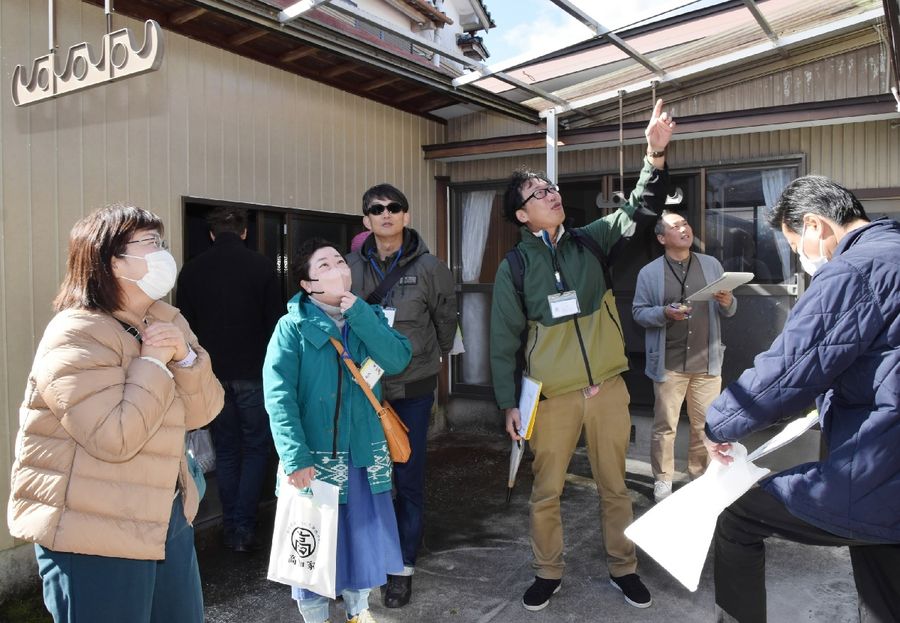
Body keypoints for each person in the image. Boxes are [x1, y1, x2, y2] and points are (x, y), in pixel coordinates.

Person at [490, 99, 675, 612]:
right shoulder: (516, 267)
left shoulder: (590, 240)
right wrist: (509, 402)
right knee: (545, 491)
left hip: (609, 390)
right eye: (537, 193)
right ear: (522, 214)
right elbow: (504, 339)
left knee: (615, 488)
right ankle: (547, 572)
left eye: (550, 188)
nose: (550, 194)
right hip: (551, 399)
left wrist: (653, 157)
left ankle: (624, 566)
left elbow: (639, 208)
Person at [7, 203, 224, 622]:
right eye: (148, 243)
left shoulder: (165, 319)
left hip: (165, 516)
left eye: (161, 242)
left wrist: (183, 360)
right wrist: (155, 363)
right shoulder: (76, 333)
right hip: (94, 533)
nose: (162, 253)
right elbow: (114, 437)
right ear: (110, 261)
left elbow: (205, 410)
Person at [703, 176, 900, 622]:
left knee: (738, 514)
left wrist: (718, 422)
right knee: (884, 572)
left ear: (815, 225)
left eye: (795, 246)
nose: (801, 257)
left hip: (881, 464)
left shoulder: (853, 271)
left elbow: (789, 369)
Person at [263, 238, 412, 623]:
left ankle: (358, 613)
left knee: (360, 545)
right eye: (324, 266)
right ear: (307, 284)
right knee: (312, 549)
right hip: (315, 460)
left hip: (363, 454)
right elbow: (279, 396)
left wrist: (361, 315)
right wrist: (294, 457)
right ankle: (315, 618)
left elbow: (397, 358)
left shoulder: (368, 316)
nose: (338, 270)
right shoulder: (291, 327)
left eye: (339, 262)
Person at [347, 184, 457, 608]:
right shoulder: (351, 266)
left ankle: (402, 568)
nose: (386, 214)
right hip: (364, 391)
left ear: (406, 216)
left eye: (394, 208)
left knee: (407, 478)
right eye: (377, 209)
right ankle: (370, 556)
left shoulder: (430, 267)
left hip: (412, 388)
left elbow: (446, 320)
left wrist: (430, 359)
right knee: (369, 478)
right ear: (366, 220)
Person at [176, 207, 283, 552]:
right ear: (244, 233)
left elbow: (186, 331)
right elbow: (274, 325)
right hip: (254, 372)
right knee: (254, 446)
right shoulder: (263, 267)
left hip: (213, 376)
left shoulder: (191, 272)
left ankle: (231, 527)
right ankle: (244, 526)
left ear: (210, 234)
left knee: (226, 449)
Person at [632, 211, 736, 502]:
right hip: (669, 363)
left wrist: (728, 302)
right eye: (675, 226)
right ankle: (663, 480)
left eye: (685, 223)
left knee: (705, 426)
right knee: (665, 425)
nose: (684, 229)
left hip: (707, 361)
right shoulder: (649, 273)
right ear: (662, 238)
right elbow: (638, 312)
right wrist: (664, 313)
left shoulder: (711, 265)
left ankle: (699, 476)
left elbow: (728, 309)